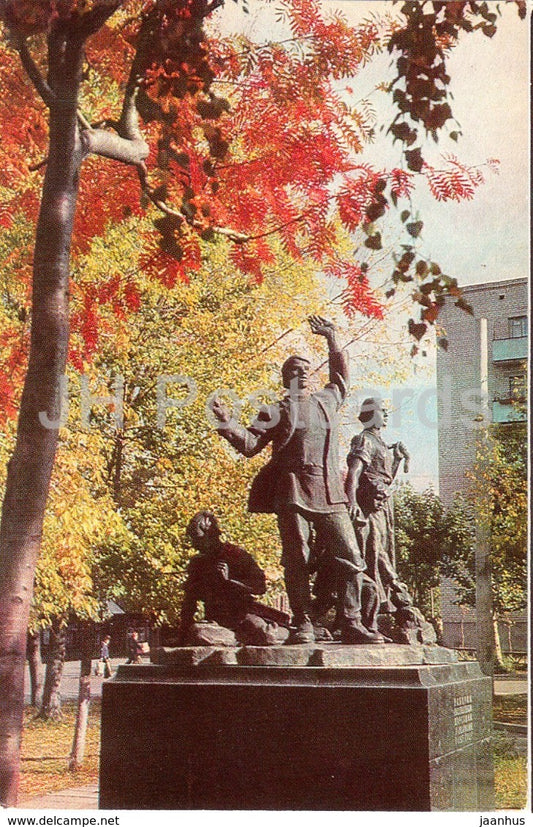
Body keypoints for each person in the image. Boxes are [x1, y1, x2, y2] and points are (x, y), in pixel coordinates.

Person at [211, 315, 383, 645]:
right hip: (292, 491)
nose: (301, 372)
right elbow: (249, 445)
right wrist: (226, 423)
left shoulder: (327, 399)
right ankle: (303, 622)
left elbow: (341, 377)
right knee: (297, 558)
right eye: (293, 369)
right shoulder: (275, 409)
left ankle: (351, 621)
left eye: (306, 368)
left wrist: (332, 338)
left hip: (330, 491)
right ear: (285, 378)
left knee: (351, 555)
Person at [177, 511, 290, 646]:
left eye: (199, 539)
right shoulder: (197, 563)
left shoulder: (236, 555)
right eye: (193, 540)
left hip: (242, 615)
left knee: (266, 635)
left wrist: (230, 581)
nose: (195, 545)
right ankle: (236, 639)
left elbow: (260, 588)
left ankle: (284, 632)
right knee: (199, 633)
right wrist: (183, 633)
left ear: (211, 535)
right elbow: (189, 603)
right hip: (217, 621)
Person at [345, 397, 409, 611]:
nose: (387, 414)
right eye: (383, 411)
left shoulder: (380, 442)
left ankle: (387, 596)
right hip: (368, 505)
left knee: (384, 546)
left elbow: (386, 478)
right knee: (374, 549)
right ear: (372, 414)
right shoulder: (364, 439)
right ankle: (390, 588)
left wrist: (398, 460)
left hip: (382, 504)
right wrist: (352, 501)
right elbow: (354, 473)